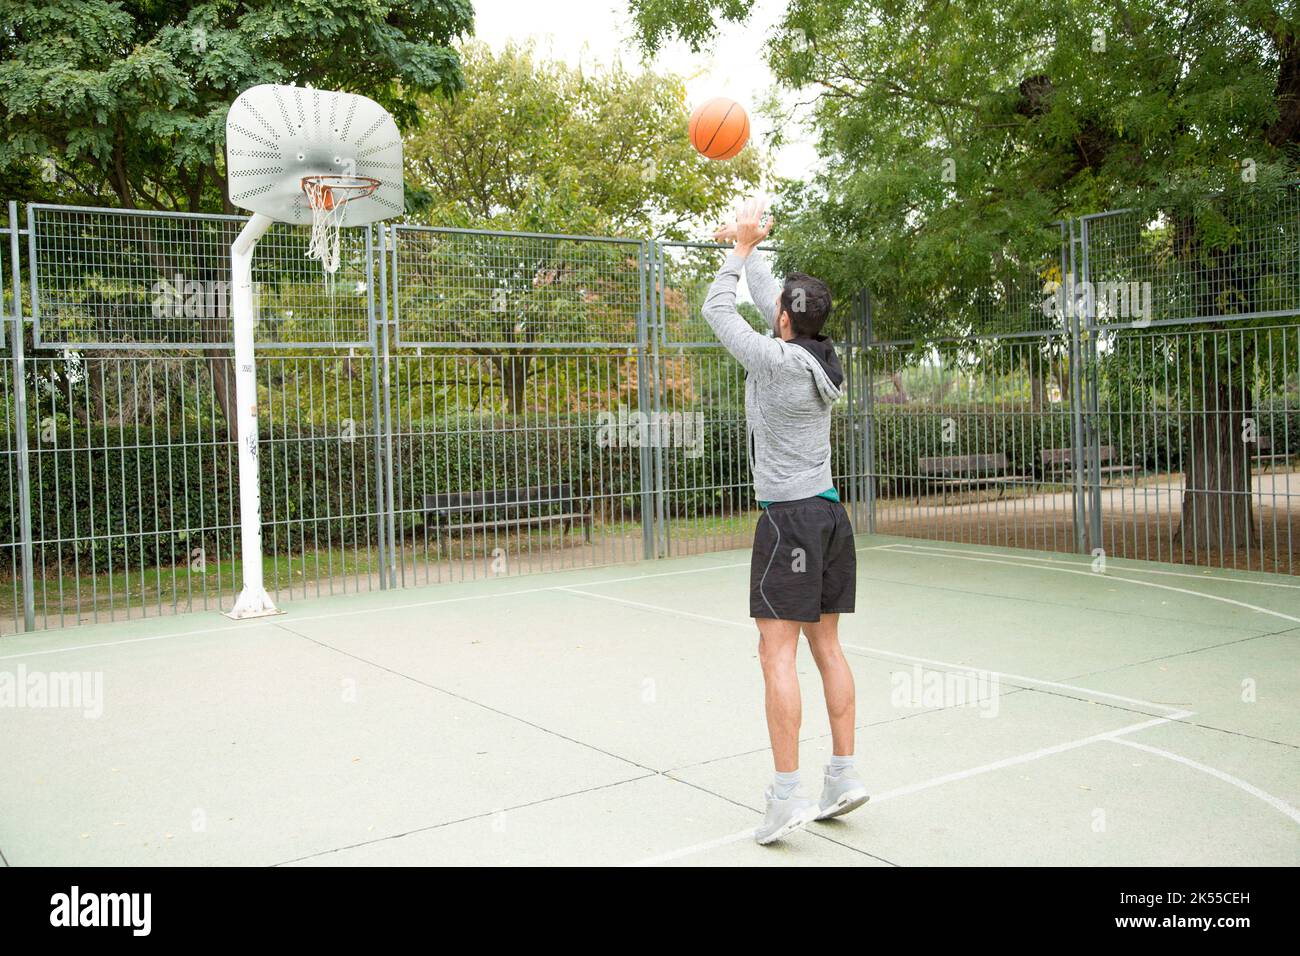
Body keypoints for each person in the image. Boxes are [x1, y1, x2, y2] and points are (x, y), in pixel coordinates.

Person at [703, 198, 869, 845]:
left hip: (788, 522)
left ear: (782, 323)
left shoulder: (775, 361)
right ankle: (845, 775)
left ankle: (785, 797)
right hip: (830, 514)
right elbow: (777, 298)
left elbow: (717, 311)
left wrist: (737, 255)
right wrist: (749, 245)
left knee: (776, 654)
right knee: (826, 647)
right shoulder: (821, 356)